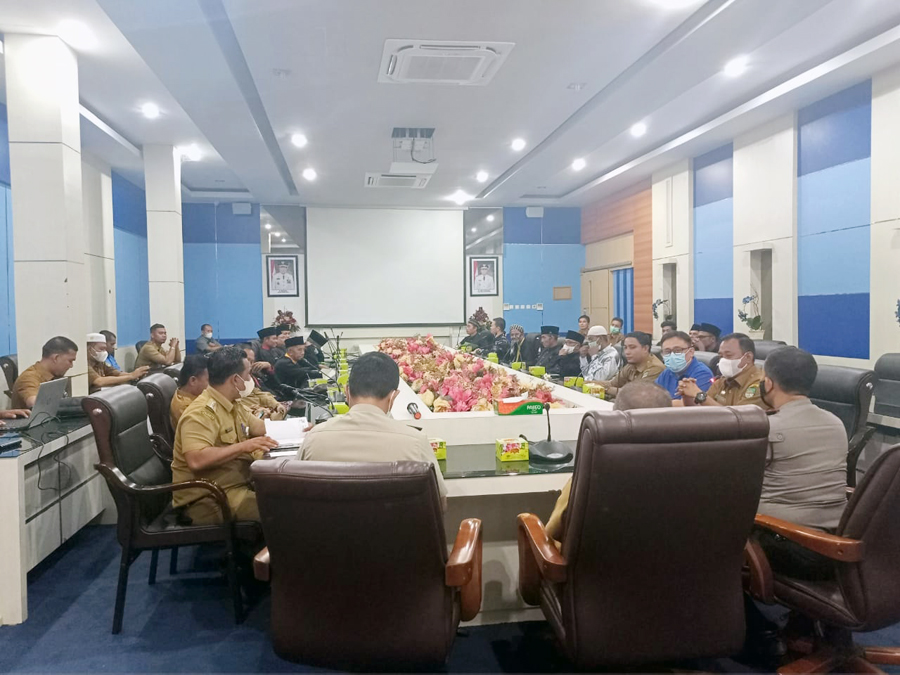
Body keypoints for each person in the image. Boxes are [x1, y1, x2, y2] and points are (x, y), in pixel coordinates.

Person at [298, 351, 447, 510]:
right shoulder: (415, 442)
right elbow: (439, 505)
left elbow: (295, 496)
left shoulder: (314, 438)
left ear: (347, 391)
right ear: (393, 396)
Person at [545, 381, 672, 543]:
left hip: (596, 559)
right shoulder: (695, 468)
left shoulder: (594, 471)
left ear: (615, 418)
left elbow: (551, 533)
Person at [171, 347, 278, 524]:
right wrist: (244, 446)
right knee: (285, 510)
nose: (250, 379)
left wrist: (302, 428)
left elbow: (259, 427)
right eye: (248, 374)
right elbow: (196, 460)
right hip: (210, 499)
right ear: (235, 379)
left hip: (235, 485)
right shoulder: (201, 413)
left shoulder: (232, 403)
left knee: (288, 497)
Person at [679, 333, 768, 409]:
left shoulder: (760, 384)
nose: (723, 360)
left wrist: (698, 394)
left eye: (728, 355)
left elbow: (738, 418)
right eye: (721, 356)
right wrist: (688, 395)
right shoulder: (721, 381)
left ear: (748, 357)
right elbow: (702, 409)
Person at [11, 336, 78, 409]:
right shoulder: (28, 378)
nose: (71, 366)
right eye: (70, 361)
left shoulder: (54, 376)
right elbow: (35, 403)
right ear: (56, 358)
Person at [593, 331, 664, 398]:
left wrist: (605, 389)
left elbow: (635, 394)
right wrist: (588, 383)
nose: (627, 352)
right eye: (625, 347)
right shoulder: (632, 364)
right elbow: (612, 384)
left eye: (632, 347)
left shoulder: (655, 368)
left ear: (645, 348)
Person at [655, 330, 713, 401]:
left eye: (677, 350)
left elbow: (698, 402)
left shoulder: (703, 373)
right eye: (667, 351)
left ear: (691, 352)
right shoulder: (667, 372)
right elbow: (653, 395)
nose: (672, 355)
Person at [238, 344, 288, 420]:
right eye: (247, 360)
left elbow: (261, 393)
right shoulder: (232, 380)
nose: (250, 365)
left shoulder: (252, 376)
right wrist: (259, 411)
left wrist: (276, 405)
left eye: (252, 361)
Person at [170, 355, 209, 427]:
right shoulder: (185, 408)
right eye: (209, 380)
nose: (212, 384)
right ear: (193, 380)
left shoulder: (195, 395)